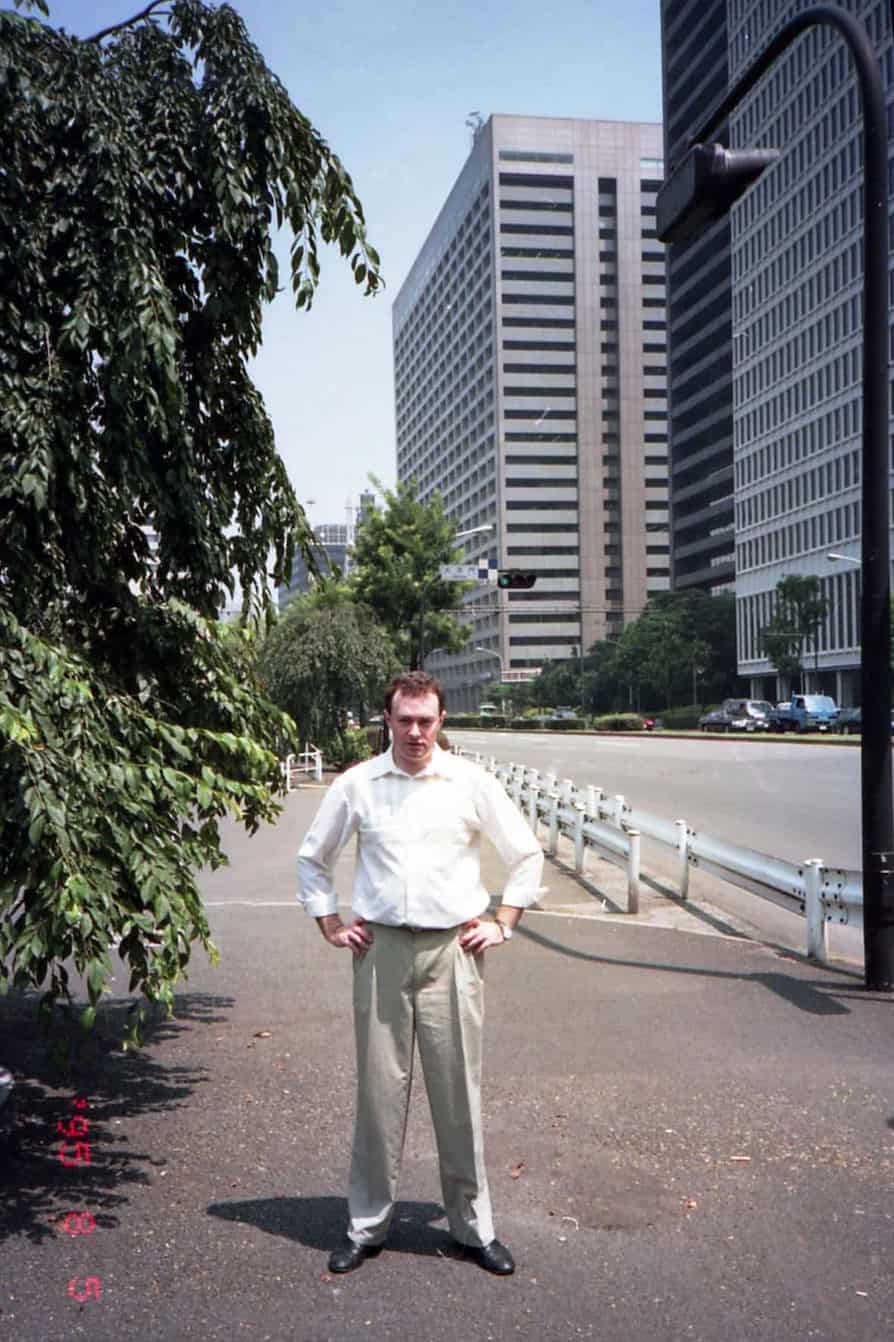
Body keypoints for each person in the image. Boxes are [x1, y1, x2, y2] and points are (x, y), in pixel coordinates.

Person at [297, 670, 544, 1276]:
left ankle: (473, 1227)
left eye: (426, 721)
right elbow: (313, 857)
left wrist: (504, 922)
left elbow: (525, 853)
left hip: (453, 951)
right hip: (380, 951)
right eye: (404, 720)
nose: (415, 732)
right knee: (378, 1094)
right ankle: (366, 1225)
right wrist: (329, 923)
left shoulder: (470, 782)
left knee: (459, 1094)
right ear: (387, 720)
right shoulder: (358, 785)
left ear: (441, 721)